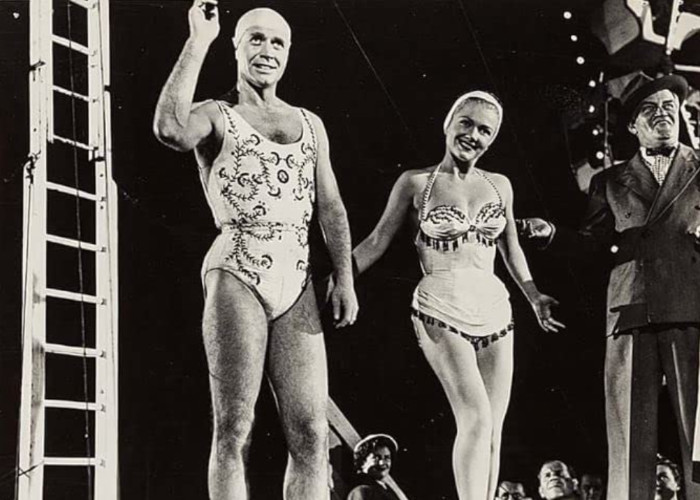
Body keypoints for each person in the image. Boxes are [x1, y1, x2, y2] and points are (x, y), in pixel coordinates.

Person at [153, 2, 358, 499]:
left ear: (289, 54)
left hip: (297, 281)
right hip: (237, 270)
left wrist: (346, 279)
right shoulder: (216, 114)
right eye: (256, 39)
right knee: (235, 427)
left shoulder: (310, 123)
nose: (267, 50)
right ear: (238, 47)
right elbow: (170, 129)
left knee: (311, 435)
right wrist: (198, 40)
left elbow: (331, 207)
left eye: (278, 42)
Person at [350, 90, 563, 500]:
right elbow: (376, 241)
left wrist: (534, 295)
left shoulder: (499, 185)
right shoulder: (414, 183)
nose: (473, 135)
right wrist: (339, 278)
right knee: (476, 416)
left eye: (485, 130)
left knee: (494, 429)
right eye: (466, 123)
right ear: (448, 124)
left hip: (495, 308)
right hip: (439, 304)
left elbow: (511, 247)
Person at [519, 73, 700, 500]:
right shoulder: (610, 181)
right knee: (629, 434)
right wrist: (550, 234)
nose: (662, 117)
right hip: (630, 307)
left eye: (669, 109)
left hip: (692, 303)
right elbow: (593, 244)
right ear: (633, 126)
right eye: (650, 111)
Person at [346, 434, 401, 500]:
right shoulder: (362, 490)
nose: (382, 463)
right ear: (363, 461)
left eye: (387, 458)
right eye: (376, 458)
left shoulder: (382, 488)